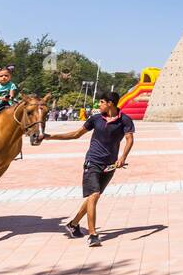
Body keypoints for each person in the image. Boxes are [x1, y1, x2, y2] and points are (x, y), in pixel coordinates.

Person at [40, 90, 135, 248]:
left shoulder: (124, 120)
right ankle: (93, 235)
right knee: (94, 195)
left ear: (110, 103)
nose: (99, 105)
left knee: (93, 198)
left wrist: (123, 157)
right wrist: (50, 136)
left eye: (102, 102)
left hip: (110, 165)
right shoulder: (96, 119)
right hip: (93, 161)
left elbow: (129, 139)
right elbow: (77, 134)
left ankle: (73, 224)